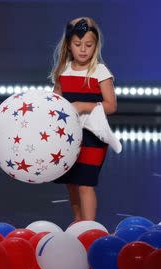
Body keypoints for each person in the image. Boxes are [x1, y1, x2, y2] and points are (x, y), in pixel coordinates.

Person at [49, 17, 118, 221]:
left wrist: (82, 106)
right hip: (69, 135)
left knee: (86, 182)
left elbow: (111, 105)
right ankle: (78, 221)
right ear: (69, 46)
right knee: (71, 182)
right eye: (78, 44)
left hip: (93, 135)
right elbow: (56, 101)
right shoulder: (63, 71)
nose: (83, 50)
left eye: (89, 45)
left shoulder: (100, 71)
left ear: (95, 46)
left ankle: (89, 227)